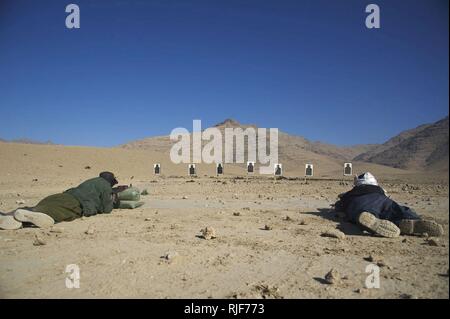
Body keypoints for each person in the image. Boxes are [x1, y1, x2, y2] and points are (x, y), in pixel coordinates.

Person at [334, 172, 444, 238]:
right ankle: (409, 220)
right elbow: (388, 197)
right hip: (383, 201)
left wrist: (340, 208)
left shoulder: (353, 192)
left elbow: (341, 204)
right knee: (396, 210)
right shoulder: (380, 190)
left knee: (362, 214)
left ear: (358, 183)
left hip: (361, 204)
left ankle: (371, 221)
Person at [0, 172, 121, 230]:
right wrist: (113, 199)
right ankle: (28, 218)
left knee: (39, 207)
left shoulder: (91, 180)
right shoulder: (106, 186)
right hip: (75, 203)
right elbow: (106, 209)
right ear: (110, 181)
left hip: (63, 195)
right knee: (55, 213)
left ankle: (11, 215)